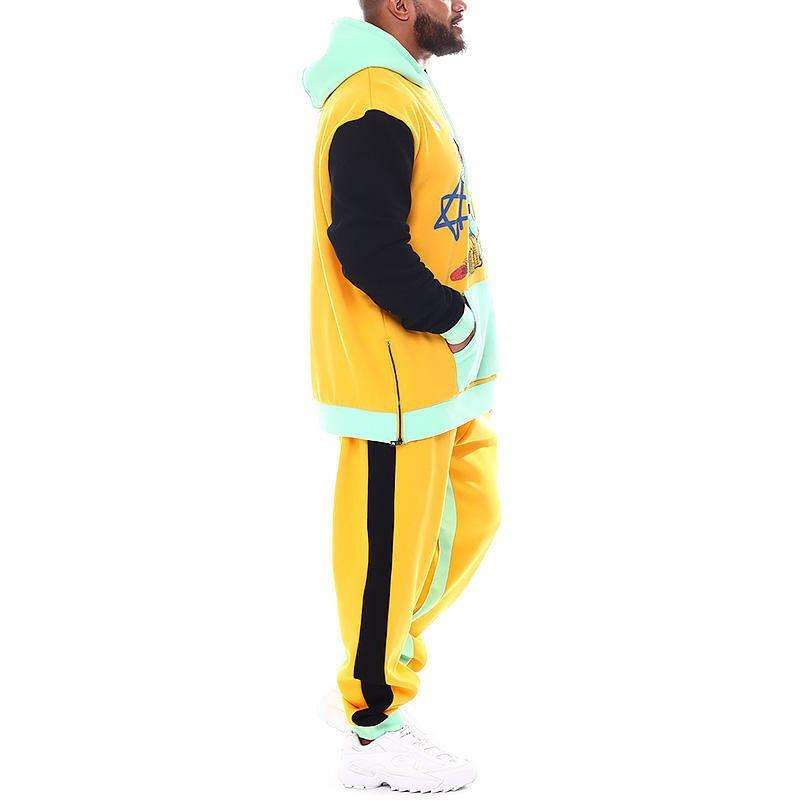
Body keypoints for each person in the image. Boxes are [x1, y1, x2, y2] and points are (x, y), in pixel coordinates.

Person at [303, 1, 500, 791]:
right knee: (386, 553)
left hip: (443, 377)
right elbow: (364, 242)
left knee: (473, 515)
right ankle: (371, 723)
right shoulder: (372, 98)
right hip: (396, 382)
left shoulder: (405, 86)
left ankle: (375, 657)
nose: (461, 3)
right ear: (398, 4)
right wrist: (449, 317)